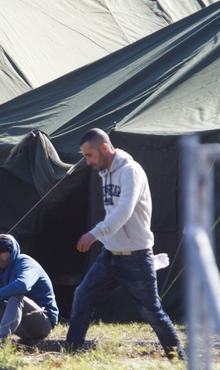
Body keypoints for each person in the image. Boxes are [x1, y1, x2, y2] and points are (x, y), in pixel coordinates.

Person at [66, 128, 186, 360]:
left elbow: (124, 211)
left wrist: (95, 233)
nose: (87, 162)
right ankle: (72, 353)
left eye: (89, 155)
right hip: (109, 254)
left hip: (136, 257)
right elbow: (112, 210)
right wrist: (103, 237)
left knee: (152, 312)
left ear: (104, 148)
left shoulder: (131, 172)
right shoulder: (105, 172)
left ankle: (180, 361)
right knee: (83, 295)